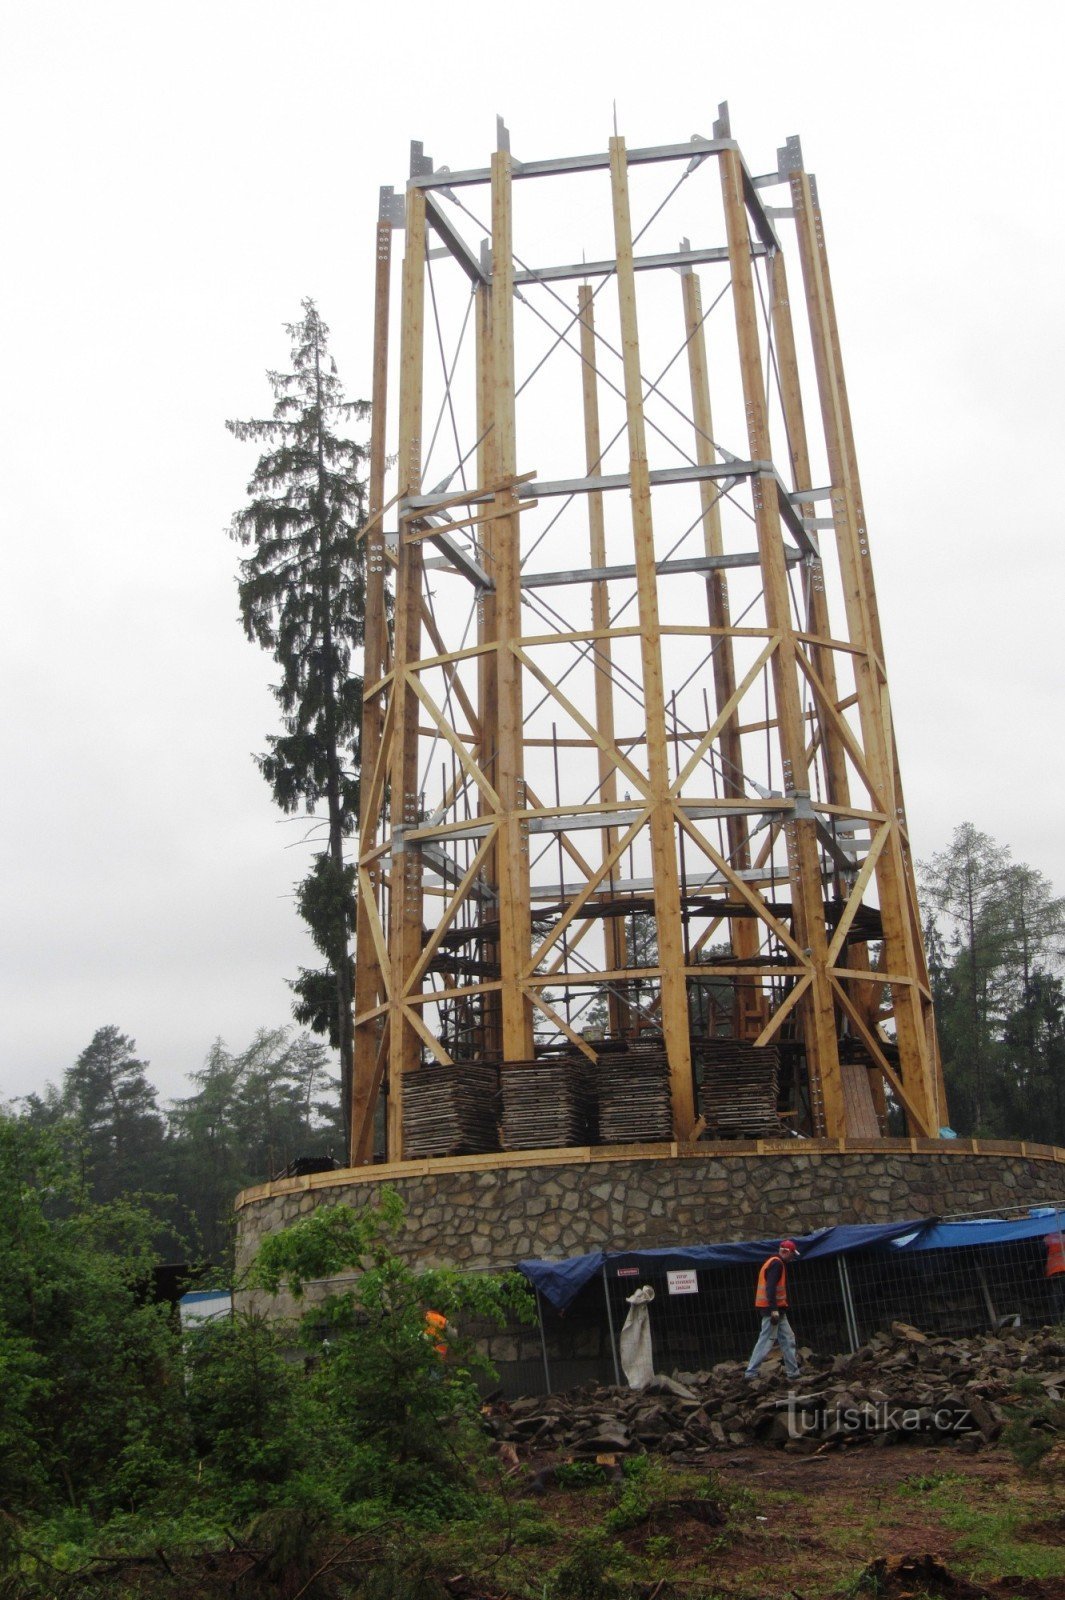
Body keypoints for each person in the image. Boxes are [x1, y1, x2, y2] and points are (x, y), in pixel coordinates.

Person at [744, 1238, 802, 1381]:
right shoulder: (777, 1264)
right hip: (773, 1311)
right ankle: (751, 1373)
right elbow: (770, 1288)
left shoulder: (773, 1262)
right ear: (785, 1252)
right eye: (792, 1254)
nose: (793, 1257)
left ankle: (793, 1373)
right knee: (765, 1341)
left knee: (788, 1339)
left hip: (778, 1311)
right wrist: (773, 1309)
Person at [1045, 1230, 1065, 1323]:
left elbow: (1041, 1254)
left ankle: (1058, 1325)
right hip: (1059, 1271)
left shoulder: (1047, 1239)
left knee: (1056, 1300)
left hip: (1055, 1272)